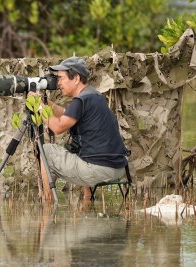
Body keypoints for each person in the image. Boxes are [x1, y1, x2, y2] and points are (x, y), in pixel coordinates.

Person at [30, 56, 128, 201]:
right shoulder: (93, 96)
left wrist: (38, 105)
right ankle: (87, 199)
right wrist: (46, 103)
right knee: (78, 151)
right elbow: (65, 114)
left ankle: (47, 203)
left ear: (76, 78)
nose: (58, 83)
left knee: (47, 151)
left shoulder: (80, 100)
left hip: (99, 170)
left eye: (61, 78)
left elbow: (57, 128)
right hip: (117, 168)